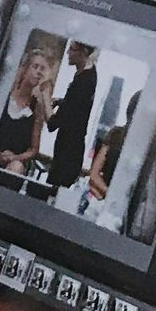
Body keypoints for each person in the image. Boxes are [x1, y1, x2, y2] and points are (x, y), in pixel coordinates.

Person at [45, 41, 100, 201]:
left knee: (54, 195)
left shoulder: (82, 82)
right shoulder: (90, 74)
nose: (68, 52)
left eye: (72, 50)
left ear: (83, 51)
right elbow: (78, 105)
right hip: (72, 147)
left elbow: (52, 124)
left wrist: (45, 97)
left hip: (67, 152)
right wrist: (62, 102)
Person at [0, 47, 54, 177]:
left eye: (42, 69)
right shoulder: (4, 96)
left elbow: (34, 150)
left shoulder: (36, 108)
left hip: (13, 164)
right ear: (25, 68)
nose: (39, 72)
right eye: (35, 67)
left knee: (16, 168)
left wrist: (14, 158)